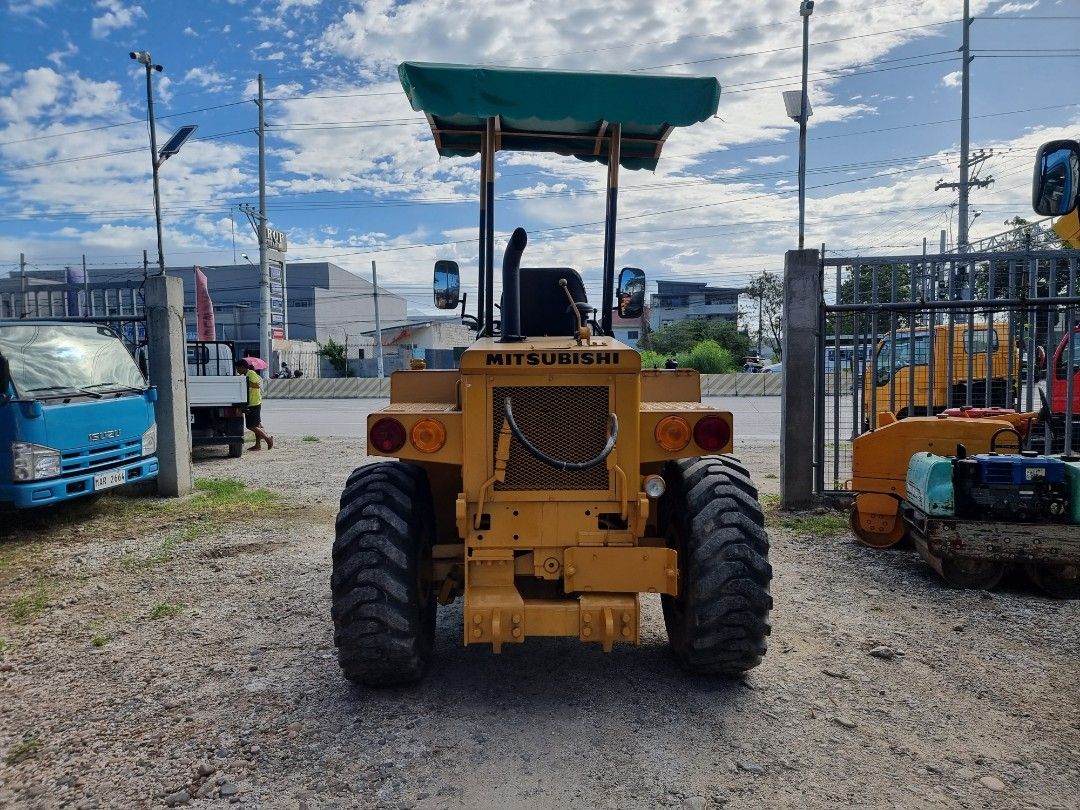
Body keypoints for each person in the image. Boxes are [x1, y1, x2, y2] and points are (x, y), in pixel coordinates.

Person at [234, 360, 274, 450]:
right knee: (257, 424)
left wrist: (245, 382)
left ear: (243, 367)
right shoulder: (247, 374)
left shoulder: (251, 373)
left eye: (238, 368)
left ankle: (268, 439)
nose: (237, 371)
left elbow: (256, 385)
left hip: (253, 403)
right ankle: (258, 445)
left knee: (251, 426)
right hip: (254, 402)